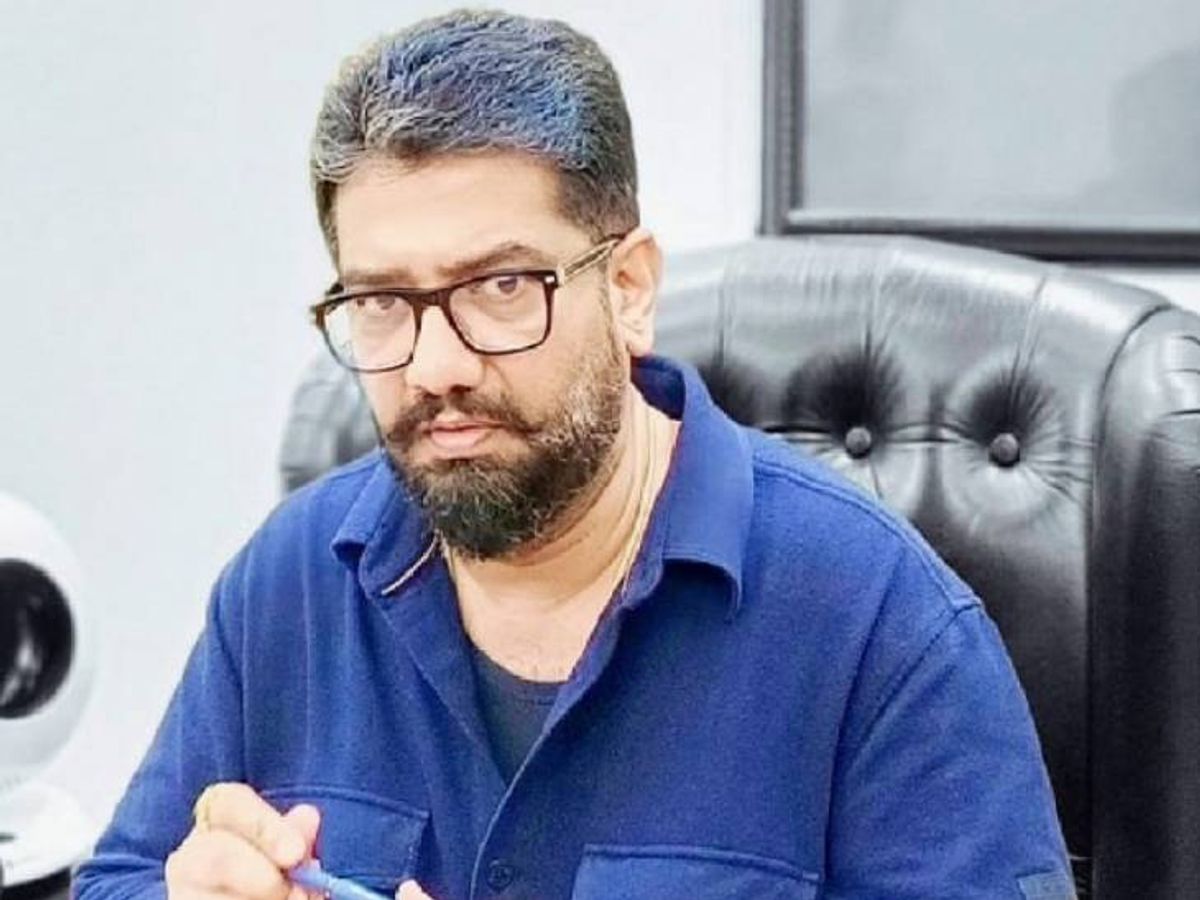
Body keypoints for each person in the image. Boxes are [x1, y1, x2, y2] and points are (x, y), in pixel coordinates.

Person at [74, 9, 1075, 900]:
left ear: (629, 289)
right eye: (380, 301)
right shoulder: (288, 580)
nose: (435, 366)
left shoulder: (881, 623)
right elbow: (121, 878)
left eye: (502, 287)